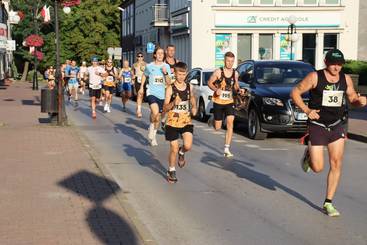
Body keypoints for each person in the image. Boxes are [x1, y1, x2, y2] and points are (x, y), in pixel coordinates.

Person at [291, 49, 367, 217]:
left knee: (336, 163)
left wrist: (360, 101)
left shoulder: (345, 79)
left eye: (339, 64)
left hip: (337, 125)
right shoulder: (315, 77)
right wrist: (306, 109)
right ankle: (309, 156)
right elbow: (295, 92)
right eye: (333, 63)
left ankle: (328, 202)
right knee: (318, 168)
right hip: (317, 124)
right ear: (326, 62)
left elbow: (353, 98)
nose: (336, 67)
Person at [163, 62, 197, 183]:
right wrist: (173, 103)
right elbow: (165, 108)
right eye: (179, 74)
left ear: (186, 74)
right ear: (175, 74)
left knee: (187, 145)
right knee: (173, 147)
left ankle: (182, 152)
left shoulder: (189, 87)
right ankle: (171, 170)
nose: (181, 76)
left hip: (186, 121)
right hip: (172, 122)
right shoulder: (170, 89)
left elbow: (192, 98)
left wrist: (194, 107)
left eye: (183, 74)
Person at [207, 51, 245, 158]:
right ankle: (213, 119)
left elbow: (236, 85)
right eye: (228, 61)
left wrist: (239, 90)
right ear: (224, 60)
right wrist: (215, 89)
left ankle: (226, 148)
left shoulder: (235, 73)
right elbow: (209, 82)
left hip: (229, 101)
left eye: (232, 61)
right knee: (218, 127)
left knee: (230, 122)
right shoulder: (218, 72)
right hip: (218, 101)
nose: (230, 63)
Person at [139, 46, 172, 146]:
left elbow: (169, 82)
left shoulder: (167, 66)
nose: (160, 55)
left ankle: (153, 135)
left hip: (162, 94)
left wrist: (165, 73)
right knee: (155, 111)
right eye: (158, 53)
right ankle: (152, 125)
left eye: (162, 53)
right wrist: (141, 87)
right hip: (151, 92)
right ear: (154, 55)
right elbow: (145, 75)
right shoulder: (150, 66)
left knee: (157, 117)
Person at [133, 52, 146, 118]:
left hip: (144, 81)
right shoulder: (134, 65)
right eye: (139, 56)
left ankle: (138, 107)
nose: (140, 57)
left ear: (143, 57)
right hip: (137, 80)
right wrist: (133, 76)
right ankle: (139, 110)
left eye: (141, 56)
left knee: (142, 94)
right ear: (137, 57)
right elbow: (132, 72)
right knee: (139, 94)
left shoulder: (146, 64)